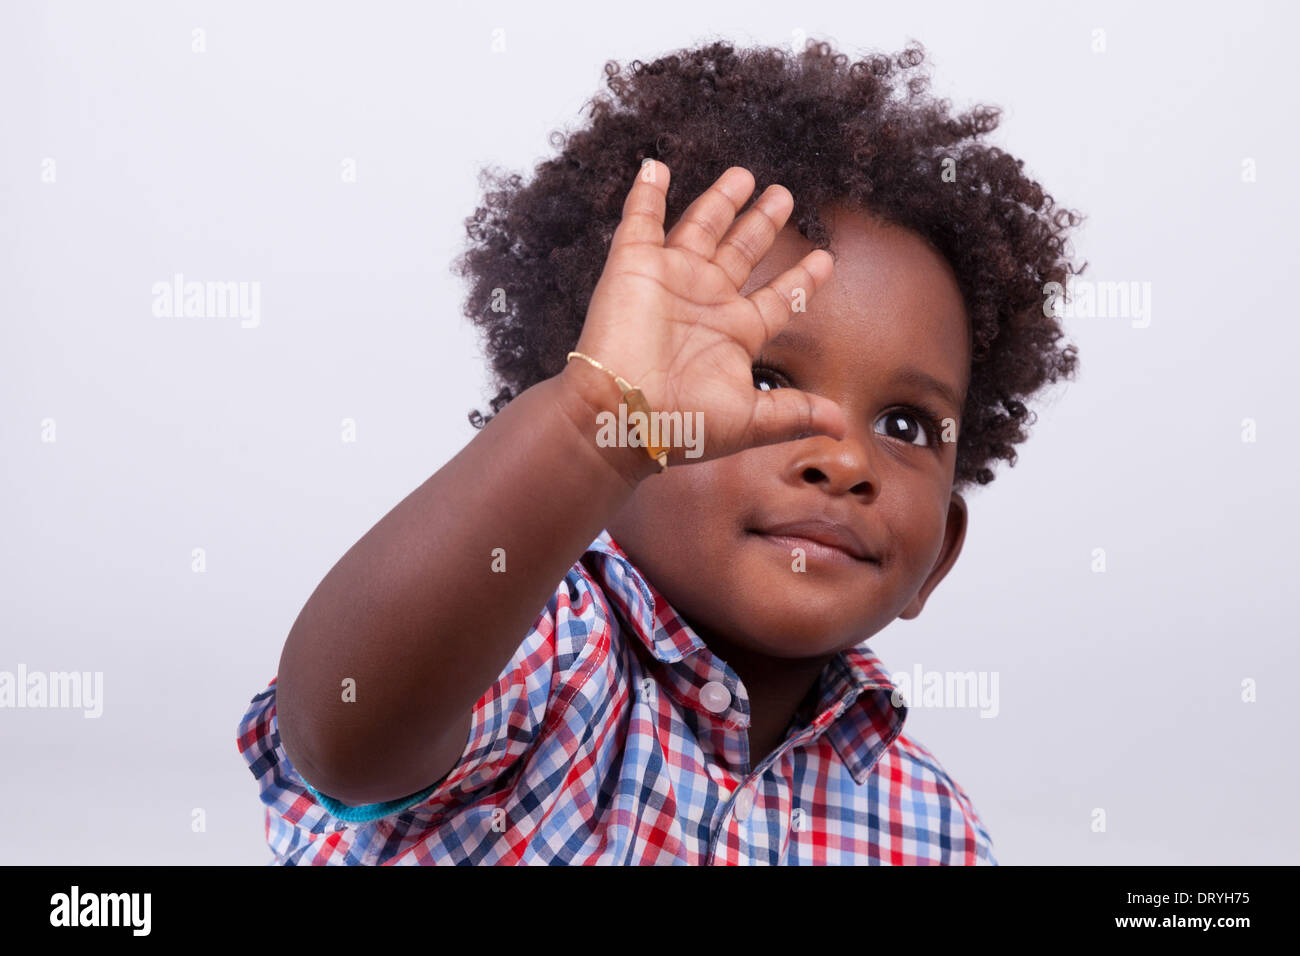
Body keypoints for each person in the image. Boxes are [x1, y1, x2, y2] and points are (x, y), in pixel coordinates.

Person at [237, 38, 1083, 864]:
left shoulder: (933, 830)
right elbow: (345, 735)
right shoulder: (542, 655)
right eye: (760, 379)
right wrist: (590, 430)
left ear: (941, 557)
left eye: (904, 425)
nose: (842, 459)